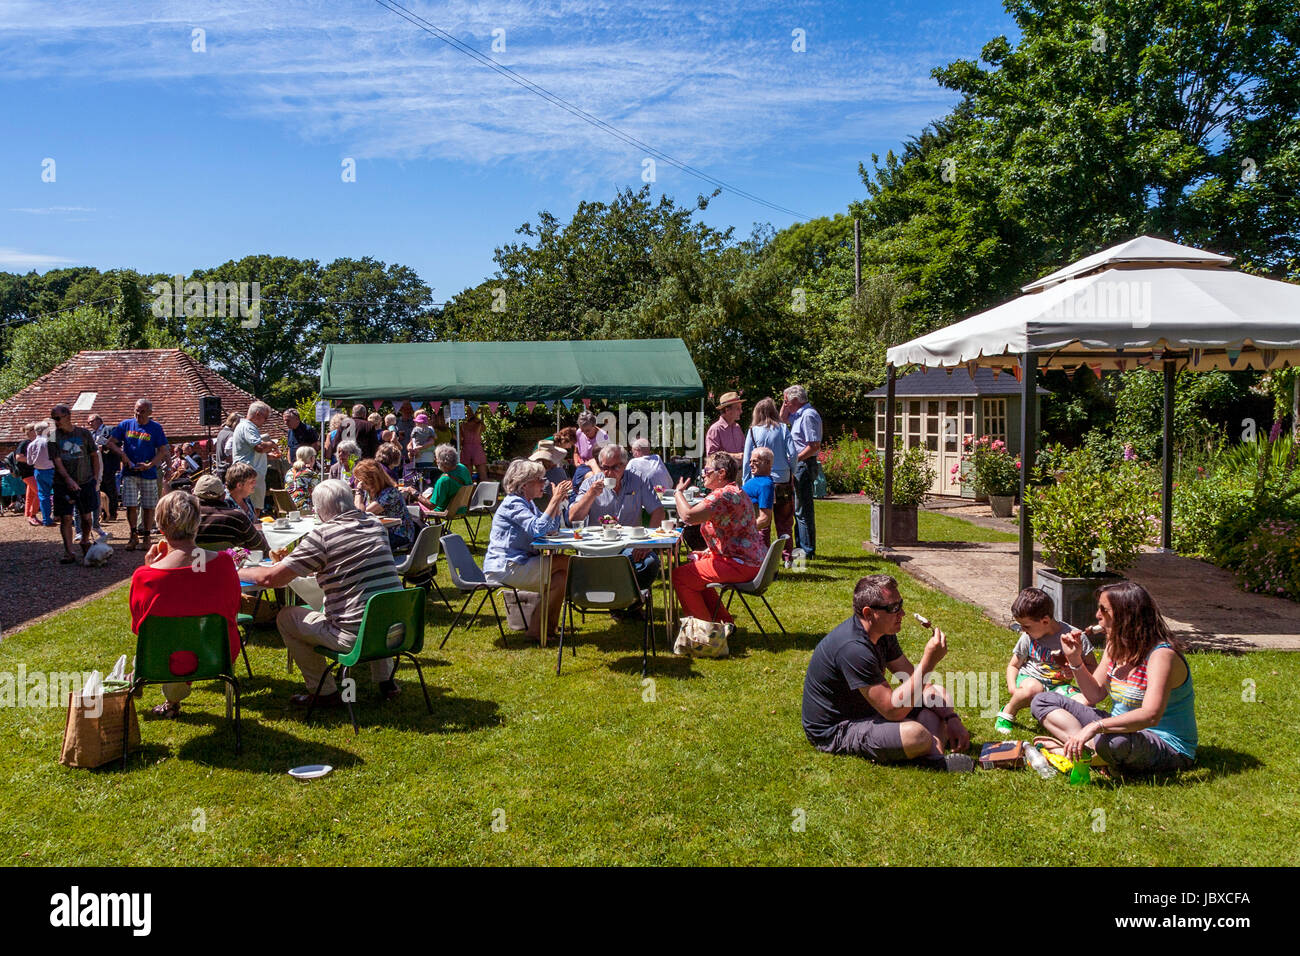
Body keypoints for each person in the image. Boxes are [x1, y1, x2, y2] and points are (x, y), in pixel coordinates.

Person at [240, 479, 403, 706]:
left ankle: (325, 692)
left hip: (354, 637)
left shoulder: (323, 536)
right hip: (395, 630)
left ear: (318, 510)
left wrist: (237, 570)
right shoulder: (375, 524)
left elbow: (270, 579)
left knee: (286, 617)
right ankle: (385, 682)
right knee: (371, 600)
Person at [802, 574, 975, 771]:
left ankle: (933, 756)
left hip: (868, 710)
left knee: (937, 694)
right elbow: (892, 711)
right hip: (837, 729)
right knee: (916, 734)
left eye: (900, 604)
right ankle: (932, 752)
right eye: (893, 608)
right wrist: (929, 662)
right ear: (869, 613)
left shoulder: (883, 633)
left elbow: (914, 680)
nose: (902, 613)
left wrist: (951, 718)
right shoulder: (853, 648)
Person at [1031, 581, 1197, 776]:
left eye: (1104, 610)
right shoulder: (1114, 646)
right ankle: (1084, 750)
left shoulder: (1161, 655)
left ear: (1126, 615)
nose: (1097, 615)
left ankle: (1075, 750)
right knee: (1042, 701)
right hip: (1117, 727)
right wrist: (1075, 660)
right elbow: (1094, 695)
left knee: (1115, 742)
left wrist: (1096, 727)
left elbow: (1151, 715)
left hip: (1166, 745)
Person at [129, 491, 242, 718]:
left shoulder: (144, 576)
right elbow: (233, 609)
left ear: (160, 528)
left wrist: (150, 568)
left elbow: (139, 627)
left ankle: (137, 680)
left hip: (161, 659)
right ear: (197, 523)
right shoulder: (224, 563)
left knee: (168, 648)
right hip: (217, 654)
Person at [670, 451, 765, 627]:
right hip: (751, 561)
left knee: (680, 576)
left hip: (740, 564)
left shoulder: (722, 495)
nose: (703, 473)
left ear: (721, 473)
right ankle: (723, 622)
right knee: (694, 573)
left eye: (707, 470)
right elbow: (735, 530)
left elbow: (688, 517)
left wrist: (678, 493)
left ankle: (706, 631)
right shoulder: (736, 491)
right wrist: (710, 551)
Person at [483, 459, 571, 642]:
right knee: (566, 562)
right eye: (539, 480)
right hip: (506, 566)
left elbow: (550, 528)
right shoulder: (512, 504)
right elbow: (537, 529)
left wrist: (557, 503)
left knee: (561, 578)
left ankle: (542, 629)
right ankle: (589, 596)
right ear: (524, 484)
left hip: (519, 562)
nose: (544, 484)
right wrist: (554, 500)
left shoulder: (527, 503)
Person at [993, 587, 1097, 734]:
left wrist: (1075, 671)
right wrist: (1012, 687)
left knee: (1085, 703)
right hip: (1031, 679)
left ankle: (1067, 726)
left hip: (1058, 686)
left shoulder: (1074, 637)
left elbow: (1093, 667)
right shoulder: (1028, 637)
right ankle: (1009, 710)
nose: (1023, 629)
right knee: (1032, 689)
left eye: (1026, 626)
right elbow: (1013, 665)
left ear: (1045, 621)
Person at [569, 443, 667, 598]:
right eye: (604, 468)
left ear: (625, 464)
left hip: (629, 545)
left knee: (649, 562)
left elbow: (658, 511)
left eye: (615, 468)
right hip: (597, 546)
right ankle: (625, 600)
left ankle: (628, 599)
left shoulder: (638, 480)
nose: (608, 473)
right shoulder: (590, 484)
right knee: (618, 564)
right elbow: (574, 518)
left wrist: (647, 543)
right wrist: (590, 495)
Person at [108, 399, 170, 552]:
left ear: (150, 412)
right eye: (136, 410)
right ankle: (133, 534)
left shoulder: (155, 428)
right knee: (130, 505)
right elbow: (110, 442)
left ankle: (147, 536)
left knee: (149, 505)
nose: (138, 414)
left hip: (148, 472)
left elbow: (163, 450)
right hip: (130, 471)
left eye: (142, 411)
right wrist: (123, 456)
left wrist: (151, 464)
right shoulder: (125, 425)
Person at [743, 397, 795, 565]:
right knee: (785, 521)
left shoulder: (753, 431)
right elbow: (793, 454)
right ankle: (787, 557)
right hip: (783, 479)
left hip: (760, 482)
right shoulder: (783, 429)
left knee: (762, 521)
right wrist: (791, 469)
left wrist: (745, 482)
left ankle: (763, 557)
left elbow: (746, 459)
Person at [49, 404, 102, 565]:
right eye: (53, 418)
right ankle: (69, 551)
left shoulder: (84, 434)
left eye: (58, 418)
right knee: (66, 517)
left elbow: (94, 455)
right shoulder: (52, 437)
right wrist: (68, 480)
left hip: (85, 481)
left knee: (86, 517)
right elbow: (57, 461)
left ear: (68, 416)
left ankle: (85, 541)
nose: (56, 422)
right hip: (62, 483)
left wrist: (95, 477)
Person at [781, 384, 822, 559]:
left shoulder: (807, 416)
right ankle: (802, 547)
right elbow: (782, 419)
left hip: (804, 465)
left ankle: (807, 551)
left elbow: (813, 446)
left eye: (786, 401)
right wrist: (784, 402)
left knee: (803, 510)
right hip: (800, 464)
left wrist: (794, 459)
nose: (785, 405)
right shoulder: (798, 414)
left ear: (795, 401)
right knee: (799, 509)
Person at [352, 459, 420, 553]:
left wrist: (358, 491)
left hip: (400, 536)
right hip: (383, 532)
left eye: (358, 480)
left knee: (362, 544)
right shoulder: (370, 493)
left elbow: (361, 514)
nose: (355, 482)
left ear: (370, 480)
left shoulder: (390, 493)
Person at [193, 474, 269, 551]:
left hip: (192, 562)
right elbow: (261, 547)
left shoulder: (185, 517)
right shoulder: (237, 517)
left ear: (193, 495)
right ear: (223, 496)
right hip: (228, 562)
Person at [232, 402, 279, 515]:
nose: (265, 421)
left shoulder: (244, 426)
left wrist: (266, 457)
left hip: (248, 474)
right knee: (252, 510)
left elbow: (250, 452)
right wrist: (272, 444)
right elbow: (259, 447)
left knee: (251, 508)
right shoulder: (248, 427)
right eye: (265, 418)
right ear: (257, 414)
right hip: (249, 476)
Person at [88, 413, 120, 523]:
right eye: (89, 422)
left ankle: (112, 513)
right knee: (99, 489)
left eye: (92, 421)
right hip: (96, 465)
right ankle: (101, 513)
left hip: (108, 464)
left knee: (110, 489)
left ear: (99, 420)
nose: (90, 424)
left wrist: (105, 447)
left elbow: (118, 442)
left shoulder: (110, 430)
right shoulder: (90, 434)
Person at [742, 446, 776, 546]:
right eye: (750, 461)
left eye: (755, 461)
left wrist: (744, 533)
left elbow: (765, 518)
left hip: (746, 534)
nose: (751, 465)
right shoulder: (755, 480)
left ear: (767, 463)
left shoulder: (765, 485)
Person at [428, 443, 474, 515]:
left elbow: (431, 505)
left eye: (436, 458)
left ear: (443, 462)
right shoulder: (462, 468)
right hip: (462, 508)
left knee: (414, 507)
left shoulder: (444, 481)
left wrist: (414, 493)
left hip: (446, 511)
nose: (435, 460)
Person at [26, 420, 56, 527]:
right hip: (52, 470)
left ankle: (46, 519)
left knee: (43, 496)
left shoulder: (31, 444)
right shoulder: (49, 441)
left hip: (38, 471)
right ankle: (59, 515)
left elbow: (29, 462)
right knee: (59, 493)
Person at [704, 391, 745, 465]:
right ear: (727, 410)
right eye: (738, 408)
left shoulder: (737, 427)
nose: (741, 411)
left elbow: (744, 449)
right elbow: (711, 456)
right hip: (724, 475)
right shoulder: (715, 429)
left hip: (740, 473)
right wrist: (735, 456)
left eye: (741, 408)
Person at [15, 422, 40, 526]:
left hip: (33, 472)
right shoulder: (25, 443)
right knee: (40, 492)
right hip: (27, 472)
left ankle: (28, 514)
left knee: (31, 494)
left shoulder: (35, 442)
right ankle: (32, 515)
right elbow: (18, 457)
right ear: (30, 432)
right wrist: (33, 461)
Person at [285, 446, 320, 511]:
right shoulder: (311, 474)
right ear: (312, 458)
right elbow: (318, 494)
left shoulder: (288, 473)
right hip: (304, 508)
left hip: (288, 507)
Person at [408, 412, 438, 485]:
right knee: (419, 475)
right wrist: (410, 449)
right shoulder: (416, 429)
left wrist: (419, 448)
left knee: (425, 473)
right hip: (417, 457)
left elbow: (432, 441)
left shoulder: (429, 429)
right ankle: (422, 484)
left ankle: (426, 485)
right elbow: (411, 441)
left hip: (426, 456)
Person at [461, 408, 488, 481]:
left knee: (482, 475)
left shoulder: (479, 424)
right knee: (468, 476)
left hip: (474, 448)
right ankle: (469, 492)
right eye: (467, 412)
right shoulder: (463, 425)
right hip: (468, 448)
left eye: (469, 412)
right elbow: (461, 438)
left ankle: (485, 490)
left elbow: (484, 429)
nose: (467, 414)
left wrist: (477, 418)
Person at [214, 411, 241, 477]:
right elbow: (228, 450)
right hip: (227, 470)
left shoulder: (221, 432)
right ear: (235, 423)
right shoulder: (231, 434)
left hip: (219, 468)